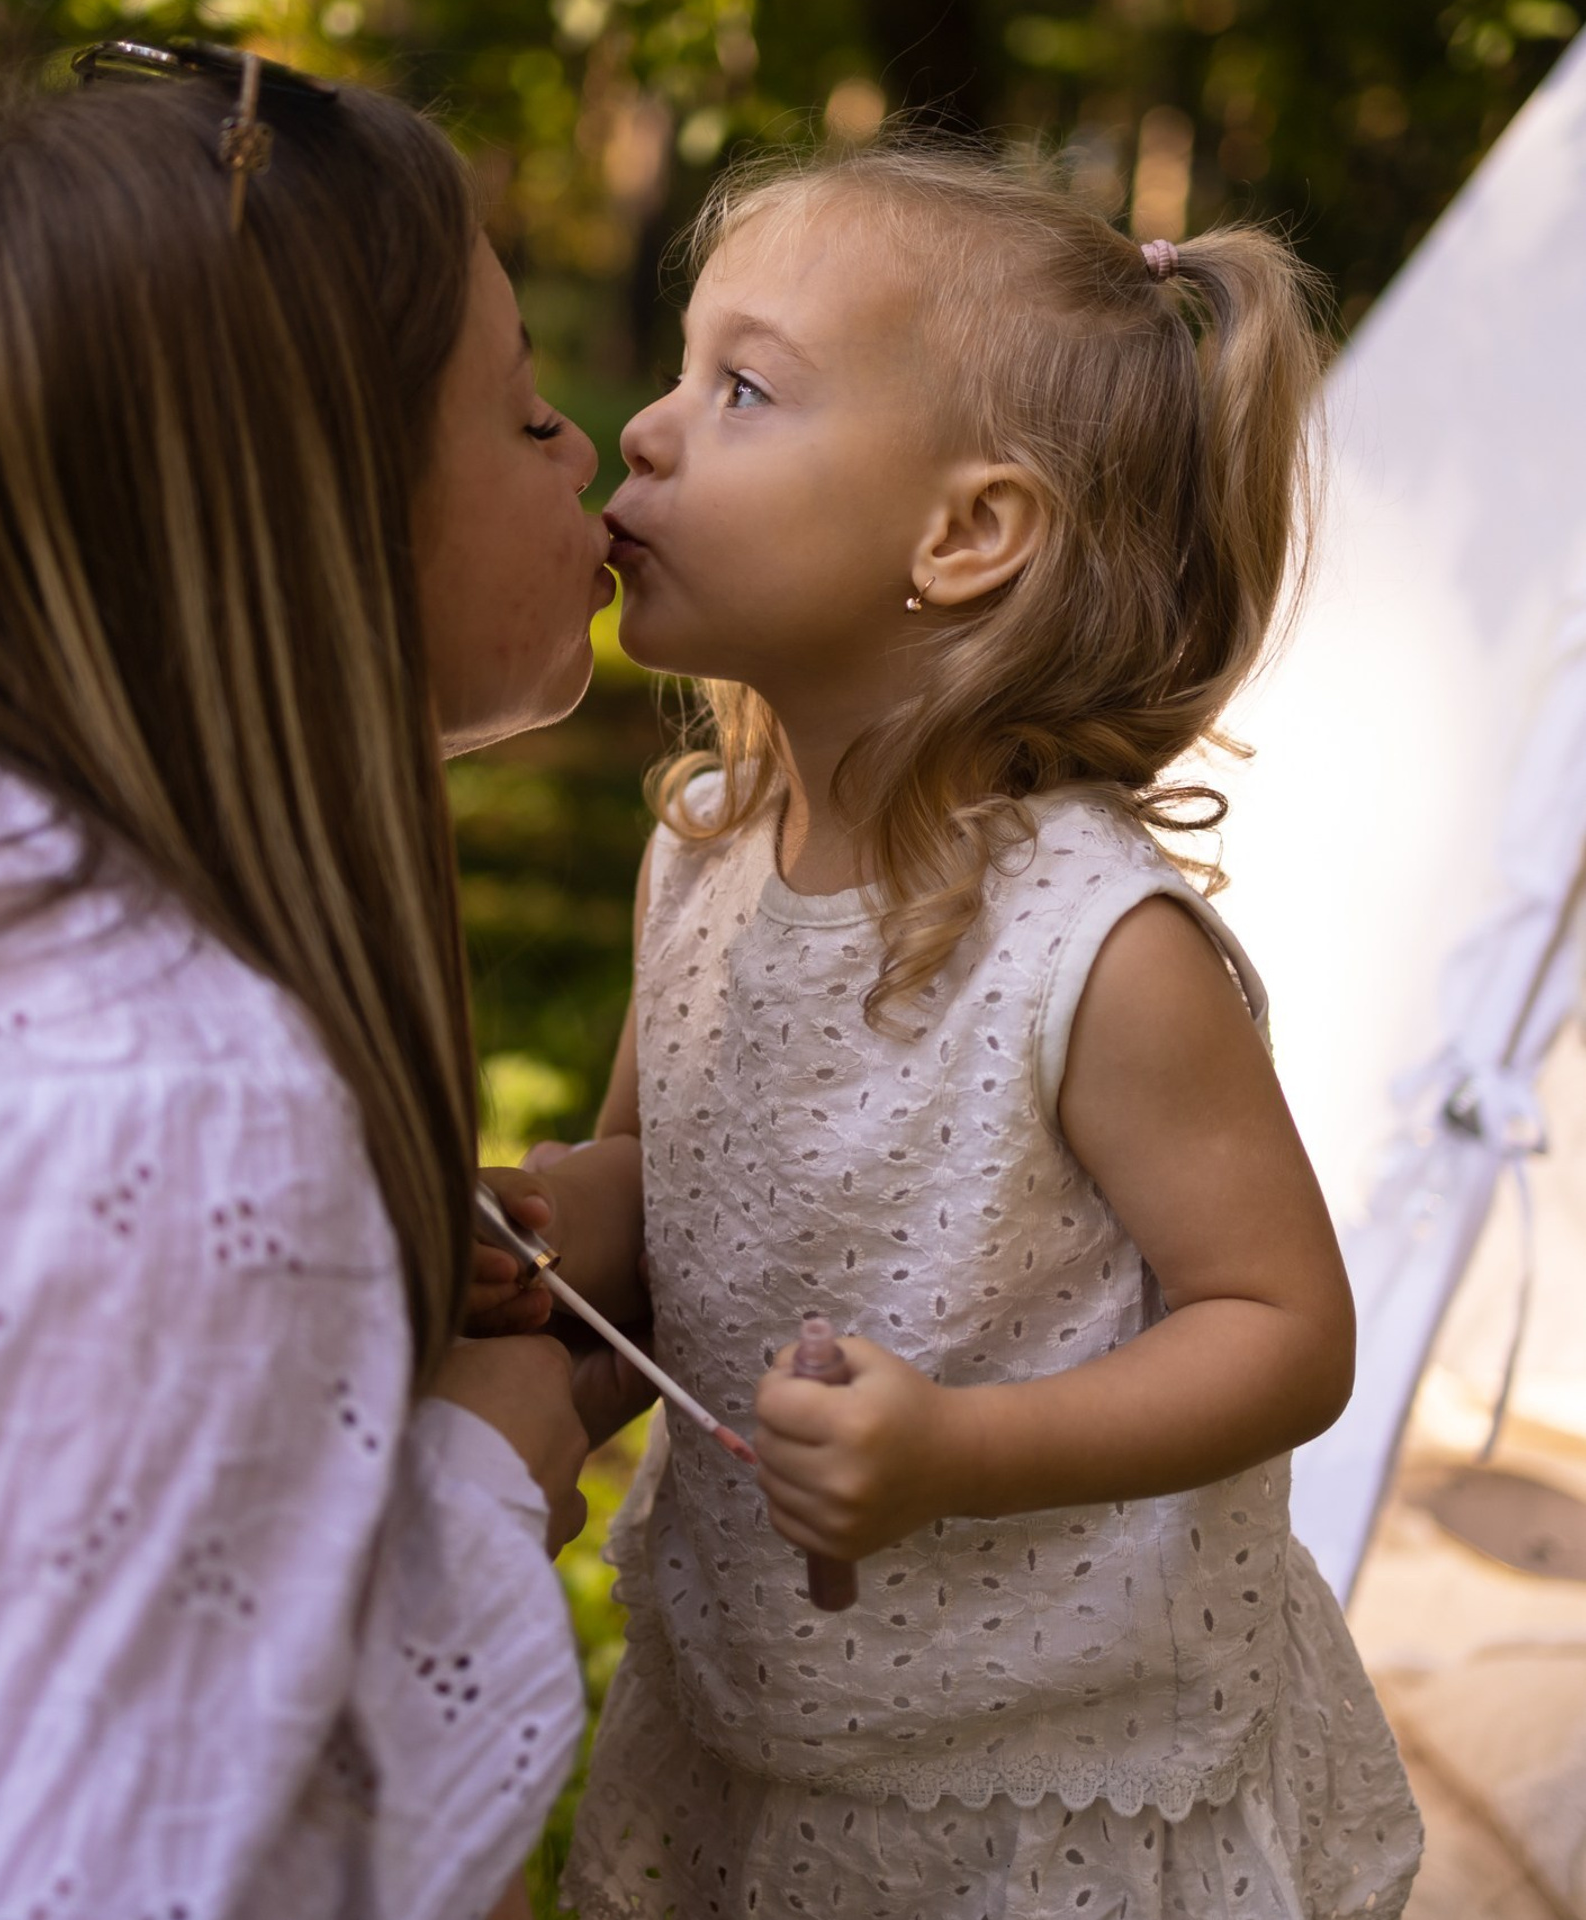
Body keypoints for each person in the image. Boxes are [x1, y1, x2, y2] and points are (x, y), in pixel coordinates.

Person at [0, 44, 618, 1920]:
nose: (594, 444)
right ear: (312, 519)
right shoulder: (164, 1128)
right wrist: (473, 1481)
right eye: (523, 419)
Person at [474, 144, 1425, 1916]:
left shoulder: (1092, 945)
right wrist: (559, 1227)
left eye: (742, 389)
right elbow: (658, 1172)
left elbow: (1283, 1328)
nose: (645, 433)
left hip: (1044, 1778)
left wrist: (958, 1455)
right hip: (763, 1719)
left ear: (967, 536)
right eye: (681, 371)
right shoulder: (704, 855)